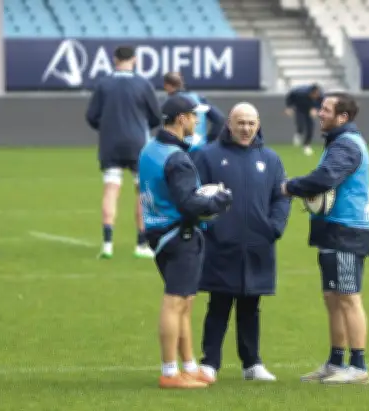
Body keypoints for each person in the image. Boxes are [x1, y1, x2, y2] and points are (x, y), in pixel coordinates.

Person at [138, 94, 233, 389]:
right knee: (176, 301)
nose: (196, 120)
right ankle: (170, 371)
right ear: (181, 119)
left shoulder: (150, 148)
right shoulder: (176, 158)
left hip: (159, 232)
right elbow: (189, 203)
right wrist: (220, 199)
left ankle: (188, 365)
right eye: (193, 116)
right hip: (179, 235)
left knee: (185, 301)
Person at [193, 103, 291, 383]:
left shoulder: (270, 159)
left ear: (258, 124)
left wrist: (274, 228)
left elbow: (281, 196)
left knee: (251, 305)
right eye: (240, 123)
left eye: (251, 123)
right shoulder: (208, 155)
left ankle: (252, 364)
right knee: (219, 304)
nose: (246, 128)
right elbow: (193, 195)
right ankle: (210, 362)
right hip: (221, 244)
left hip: (258, 244)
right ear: (229, 124)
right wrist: (209, 227)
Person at [281, 92, 369, 385]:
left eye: (326, 109)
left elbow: (324, 178)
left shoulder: (346, 145)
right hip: (333, 229)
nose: (319, 113)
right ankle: (336, 362)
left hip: (347, 231)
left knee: (348, 297)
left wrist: (289, 187)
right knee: (333, 298)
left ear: (342, 117)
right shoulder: (338, 142)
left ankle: (358, 367)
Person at [85, 45, 162, 259]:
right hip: (138, 143)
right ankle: (141, 244)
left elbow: (91, 116)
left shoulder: (103, 84)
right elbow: (156, 116)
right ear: (134, 60)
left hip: (110, 143)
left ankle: (107, 244)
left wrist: (106, 127)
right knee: (142, 192)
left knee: (111, 190)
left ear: (114, 59)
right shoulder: (143, 84)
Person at [163, 72, 226, 155]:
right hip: (201, 149)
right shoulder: (198, 98)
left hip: (179, 151)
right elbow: (219, 119)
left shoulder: (170, 103)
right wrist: (208, 141)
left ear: (167, 86)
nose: (197, 121)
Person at [284, 83, 323, 156]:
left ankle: (307, 145)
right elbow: (290, 96)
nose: (316, 96)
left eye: (317, 94)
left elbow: (322, 104)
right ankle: (299, 133)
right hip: (300, 109)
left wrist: (316, 109)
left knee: (310, 128)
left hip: (310, 110)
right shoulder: (299, 93)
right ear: (311, 92)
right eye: (315, 94)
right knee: (300, 125)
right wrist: (289, 107)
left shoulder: (321, 96)